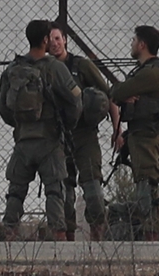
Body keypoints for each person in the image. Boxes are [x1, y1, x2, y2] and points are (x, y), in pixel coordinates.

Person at [0, 19, 82, 240]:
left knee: (16, 191)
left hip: (23, 140)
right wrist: (66, 125)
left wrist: (21, 124)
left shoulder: (13, 70)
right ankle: (59, 237)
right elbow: (76, 101)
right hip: (50, 140)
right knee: (54, 190)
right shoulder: (55, 68)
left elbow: (3, 108)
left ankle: (9, 234)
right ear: (45, 40)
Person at [48, 23, 120, 241]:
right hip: (58, 137)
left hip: (85, 136)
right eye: (50, 40)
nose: (54, 43)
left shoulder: (82, 66)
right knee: (64, 195)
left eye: (58, 38)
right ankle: (67, 246)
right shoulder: (45, 69)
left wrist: (117, 130)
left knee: (94, 191)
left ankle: (97, 241)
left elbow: (110, 96)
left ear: (65, 40)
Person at [110, 26, 159, 241]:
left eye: (134, 40)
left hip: (147, 137)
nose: (132, 44)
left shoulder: (151, 73)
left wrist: (124, 94)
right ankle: (149, 232)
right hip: (141, 135)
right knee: (145, 185)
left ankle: (152, 236)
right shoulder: (146, 71)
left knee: (148, 187)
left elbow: (117, 91)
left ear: (142, 44)